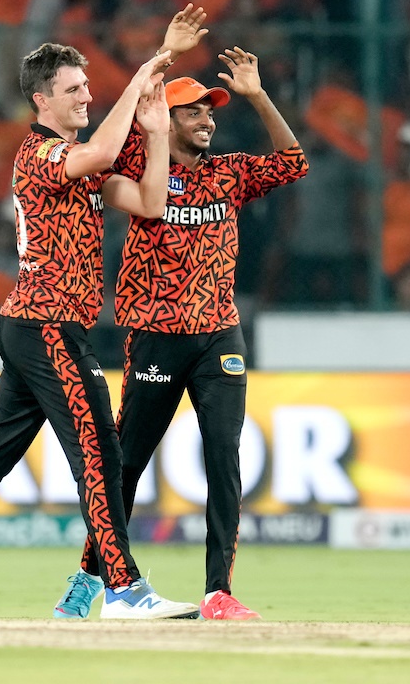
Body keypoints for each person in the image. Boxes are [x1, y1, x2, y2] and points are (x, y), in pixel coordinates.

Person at [0, 6, 212, 620]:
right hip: (44, 323)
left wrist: (158, 134)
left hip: (38, 324)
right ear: (41, 102)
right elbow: (106, 148)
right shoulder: (40, 155)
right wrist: (156, 62)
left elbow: (153, 202)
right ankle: (125, 589)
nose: (86, 96)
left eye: (87, 87)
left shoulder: (78, 163)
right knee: (99, 450)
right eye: (74, 89)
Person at [53, 48, 309, 621]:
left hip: (220, 337)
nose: (208, 120)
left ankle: (218, 590)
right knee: (125, 466)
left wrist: (258, 94)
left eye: (210, 112)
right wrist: (148, 102)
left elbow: (294, 163)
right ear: (167, 119)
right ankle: (91, 576)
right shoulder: (141, 166)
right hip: (154, 337)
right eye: (194, 112)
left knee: (224, 457)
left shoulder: (231, 172)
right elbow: (101, 152)